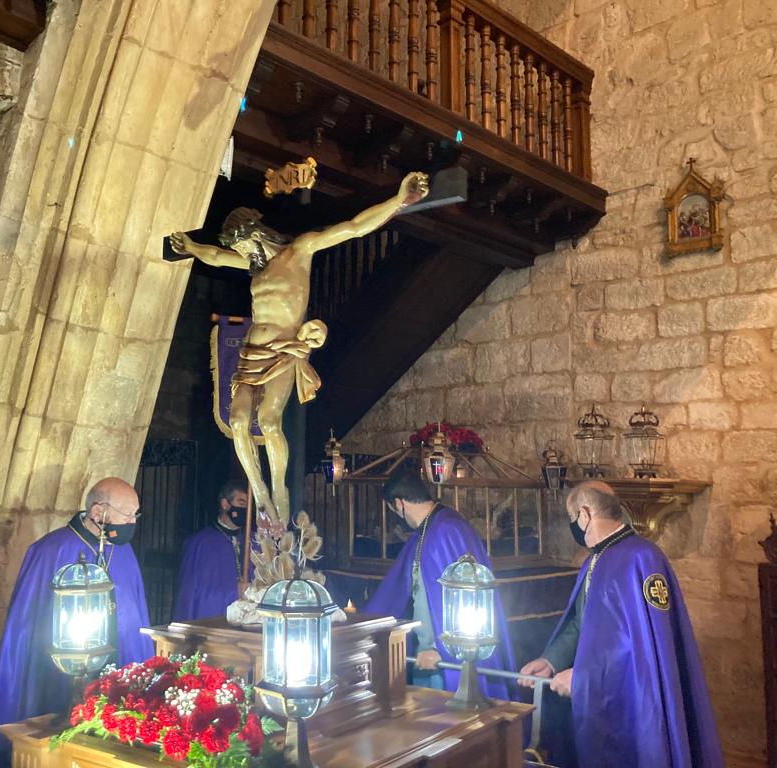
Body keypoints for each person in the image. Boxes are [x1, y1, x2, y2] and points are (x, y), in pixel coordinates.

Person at [168, 171, 430, 527]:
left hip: (284, 350)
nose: (241, 254)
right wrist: (192, 247)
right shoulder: (254, 267)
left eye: (243, 246)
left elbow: (353, 227)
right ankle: (258, 489)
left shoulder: (299, 251)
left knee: (269, 422)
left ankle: (279, 487)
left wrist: (399, 200)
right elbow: (215, 256)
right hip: (253, 349)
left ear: (254, 235)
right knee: (239, 420)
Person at [519, 480, 722, 768]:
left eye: (571, 517)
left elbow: (642, 644)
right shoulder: (595, 560)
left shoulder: (642, 558)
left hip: (634, 700)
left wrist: (583, 677)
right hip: (601, 699)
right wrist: (551, 660)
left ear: (585, 514)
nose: (572, 525)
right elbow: (581, 622)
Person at [0, 477, 154, 768]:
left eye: (136, 515)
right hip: (56, 676)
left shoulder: (123, 550)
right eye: (128, 514)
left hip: (117, 669)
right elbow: (27, 626)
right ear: (98, 512)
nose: (133, 522)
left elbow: (134, 613)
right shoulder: (51, 550)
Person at [364, 466, 514, 699]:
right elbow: (396, 589)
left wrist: (440, 651)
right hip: (428, 657)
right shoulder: (427, 530)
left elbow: (467, 598)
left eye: (393, 509)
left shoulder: (446, 530)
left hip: (445, 660)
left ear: (399, 503)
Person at [173, 481, 250, 621]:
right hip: (213, 622)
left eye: (249, 505)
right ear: (225, 504)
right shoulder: (200, 543)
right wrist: (234, 592)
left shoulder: (252, 541)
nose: (247, 509)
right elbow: (192, 593)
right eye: (242, 503)